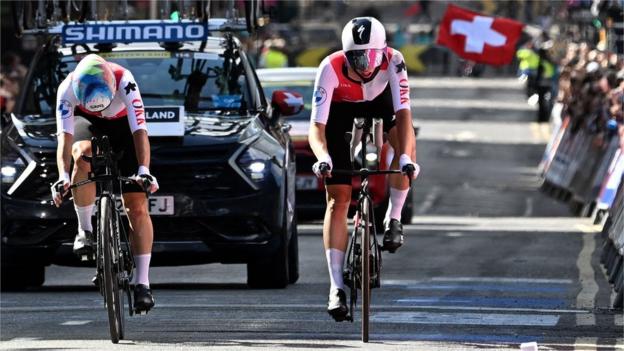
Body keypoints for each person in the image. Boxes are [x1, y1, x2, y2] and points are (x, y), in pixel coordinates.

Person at [308, 17, 420, 321]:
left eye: (370, 56)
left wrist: (406, 157)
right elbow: (317, 127)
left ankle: (394, 217)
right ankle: (336, 288)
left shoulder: (394, 61)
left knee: (405, 146)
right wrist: (323, 157)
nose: (364, 65)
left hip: (382, 104)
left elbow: (403, 113)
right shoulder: (329, 68)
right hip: (341, 112)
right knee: (338, 199)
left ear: (381, 52)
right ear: (345, 54)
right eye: (356, 57)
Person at [50, 54, 158, 313]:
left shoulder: (125, 81)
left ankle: (142, 282)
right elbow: (64, 139)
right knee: (82, 152)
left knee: (137, 205)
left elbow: (140, 131)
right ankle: (85, 230)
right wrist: (62, 176)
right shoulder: (67, 88)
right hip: (88, 124)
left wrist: (144, 170)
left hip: (124, 126)